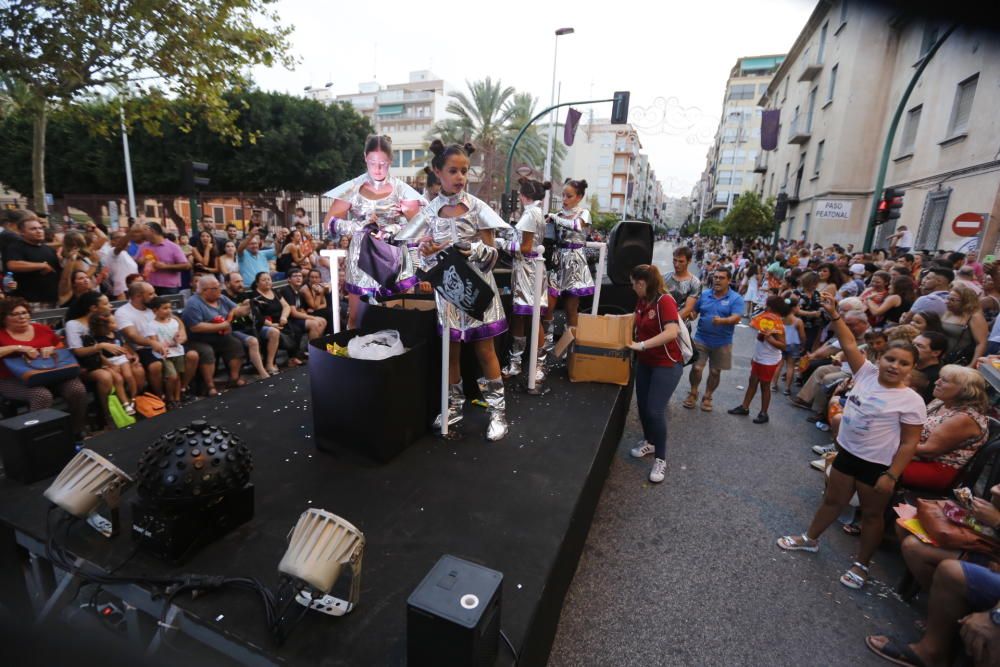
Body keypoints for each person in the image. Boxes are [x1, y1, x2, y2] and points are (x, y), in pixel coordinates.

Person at [778, 293, 926, 590]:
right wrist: (834, 315)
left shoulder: (912, 401)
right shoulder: (866, 373)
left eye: (903, 363)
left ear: (912, 369)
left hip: (877, 466)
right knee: (832, 501)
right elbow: (847, 342)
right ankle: (810, 539)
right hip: (847, 454)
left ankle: (861, 565)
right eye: (890, 358)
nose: (895, 366)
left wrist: (891, 475)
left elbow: (909, 443)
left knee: (871, 515)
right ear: (879, 358)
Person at [419, 140, 510, 441]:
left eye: (464, 171)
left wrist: (471, 248)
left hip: (479, 289)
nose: (460, 177)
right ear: (437, 172)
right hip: (447, 292)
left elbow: (494, 254)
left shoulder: (479, 208)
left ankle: (498, 412)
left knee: (485, 351)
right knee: (451, 352)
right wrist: (428, 250)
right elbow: (423, 257)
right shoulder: (429, 212)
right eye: (453, 171)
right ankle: (453, 407)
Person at [323, 134, 426, 329]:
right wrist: (357, 225)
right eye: (373, 163)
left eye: (383, 163)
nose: (378, 169)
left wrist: (395, 228)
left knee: (395, 315)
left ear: (391, 161)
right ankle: (355, 357)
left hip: (393, 256)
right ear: (365, 158)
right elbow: (329, 223)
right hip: (360, 257)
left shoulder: (403, 190)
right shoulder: (353, 188)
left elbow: (420, 228)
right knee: (356, 317)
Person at [625, 264, 683, 483]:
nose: (632, 288)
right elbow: (633, 320)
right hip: (646, 363)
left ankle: (661, 459)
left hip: (666, 364)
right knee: (642, 406)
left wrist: (641, 346)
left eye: (633, 284)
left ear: (642, 283)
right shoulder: (643, 300)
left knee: (655, 410)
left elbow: (672, 332)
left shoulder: (664, 301)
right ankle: (649, 441)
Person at [0, 298, 89, 437]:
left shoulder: (42, 328)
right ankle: (37, 437)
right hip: (12, 378)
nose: (22, 316)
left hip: (50, 372)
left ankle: (76, 431)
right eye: (15, 314)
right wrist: (17, 348)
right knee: (41, 396)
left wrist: (51, 348)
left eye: (25, 312)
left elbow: (61, 347)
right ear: (4, 318)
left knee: (77, 389)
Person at [900, 365, 989, 491]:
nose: (937, 382)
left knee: (876, 465)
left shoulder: (963, 418)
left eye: (944, 381)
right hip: (915, 455)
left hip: (936, 469)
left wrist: (893, 443)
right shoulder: (941, 401)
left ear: (965, 390)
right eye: (939, 378)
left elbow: (929, 451)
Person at [63, 291, 138, 424]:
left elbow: (114, 342)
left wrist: (114, 361)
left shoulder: (99, 322)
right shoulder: (73, 324)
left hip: (100, 361)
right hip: (84, 366)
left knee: (131, 370)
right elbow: (78, 352)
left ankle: (128, 406)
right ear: (93, 308)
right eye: (106, 303)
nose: (110, 306)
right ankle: (106, 416)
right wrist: (100, 346)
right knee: (106, 377)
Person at [502, 177, 550, 380]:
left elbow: (525, 247)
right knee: (521, 315)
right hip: (527, 270)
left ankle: (536, 364)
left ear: (523, 196)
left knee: (532, 315)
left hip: (529, 270)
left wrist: (500, 243)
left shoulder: (531, 214)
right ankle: (519, 362)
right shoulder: (535, 212)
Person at [116, 281, 197, 398]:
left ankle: (183, 389)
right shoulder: (123, 312)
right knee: (155, 366)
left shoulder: (153, 305)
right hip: (144, 348)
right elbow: (131, 335)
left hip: (169, 342)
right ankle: (160, 396)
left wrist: (182, 332)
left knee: (193, 355)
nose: (155, 296)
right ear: (138, 296)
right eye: (151, 294)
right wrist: (152, 342)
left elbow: (175, 319)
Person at [682, 267, 744, 412]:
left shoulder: (735, 298)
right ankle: (693, 392)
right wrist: (691, 315)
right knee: (697, 368)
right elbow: (695, 312)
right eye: (715, 277)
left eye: (721, 278)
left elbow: (737, 317)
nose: (717, 280)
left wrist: (723, 321)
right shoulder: (704, 295)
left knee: (715, 372)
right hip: (701, 339)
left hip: (723, 342)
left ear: (729, 281)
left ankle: (708, 396)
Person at [180, 275, 249, 395]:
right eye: (215, 288)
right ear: (204, 290)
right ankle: (210, 385)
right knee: (207, 352)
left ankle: (234, 378)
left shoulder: (221, 298)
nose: (220, 290)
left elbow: (236, 310)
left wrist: (247, 306)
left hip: (219, 336)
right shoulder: (193, 303)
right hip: (197, 339)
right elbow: (195, 327)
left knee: (235, 344)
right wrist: (222, 326)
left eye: (219, 287)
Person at [729, 295, 792, 423]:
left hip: (769, 361)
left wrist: (771, 339)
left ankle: (764, 413)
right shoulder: (766, 320)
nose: (765, 306)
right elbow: (754, 324)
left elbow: (783, 346)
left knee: (765, 386)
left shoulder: (778, 326)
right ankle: (745, 407)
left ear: (772, 307)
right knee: (752, 382)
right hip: (760, 357)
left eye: (767, 305)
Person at [545, 178, 595, 335]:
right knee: (547, 307)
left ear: (579, 197)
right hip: (556, 261)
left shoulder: (584, 213)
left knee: (571, 309)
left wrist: (554, 218)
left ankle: (571, 350)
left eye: (569, 196)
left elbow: (577, 226)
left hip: (574, 263)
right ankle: (543, 350)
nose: (564, 199)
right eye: (563, 195)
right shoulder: (557, 215)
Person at [224, 272, 277, 379]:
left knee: (274, 332)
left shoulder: (244, 294)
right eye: (237, 282)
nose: (241, 284)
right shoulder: (223, 297)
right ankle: (262, 373)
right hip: (234, 330)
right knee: (253, 341)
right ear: (227, 283)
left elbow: (255, 314)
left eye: (242, 281)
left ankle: (269, 364)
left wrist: (269, 324)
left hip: (249, 326)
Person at [4, 213, 60, 307]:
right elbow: (13, 265)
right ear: (22, 232)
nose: (39, 231)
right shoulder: (16, 247)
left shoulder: (48, 249)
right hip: (30, 302)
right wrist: (42, 265)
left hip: (52, 300)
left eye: (40, 228)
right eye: (33, 229)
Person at [250, 271, 302, 368]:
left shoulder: (275, 291)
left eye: (269, 279)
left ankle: (293, 357)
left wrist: (283, 317)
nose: (267, 282)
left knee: (296, 329)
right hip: (265, 324)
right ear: (257, 283)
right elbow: (256, 315)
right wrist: (270, 324)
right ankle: (270, 363)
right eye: (263, 280)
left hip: (280, 320)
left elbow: (286, 306)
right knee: (275, 333)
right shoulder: (255, 296)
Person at [148, 297, 189, 407]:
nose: (169, 310)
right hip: (164, 355)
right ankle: (169, 398)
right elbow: (154, 341)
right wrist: (161, 348)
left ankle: (177, 398)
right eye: (165, 308)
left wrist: (178, 338)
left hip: (178, 352)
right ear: (155, 310)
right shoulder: (151, 325)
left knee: (178, 375)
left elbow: (178, 337)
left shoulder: (174, 322)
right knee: (172, 376)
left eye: (170, 308)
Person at [136, 222, 191, 296]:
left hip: (168, 287)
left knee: (168, 307)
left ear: (152, 231)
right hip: (148, 286)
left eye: (144, 230)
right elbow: (136, 261)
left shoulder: (173, 247)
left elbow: (186, 266)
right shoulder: (143, 246)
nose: (141, 234)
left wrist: (165, 266)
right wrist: (139, 262)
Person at [941, 284, 988, 367]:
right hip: (942, 358)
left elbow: (981, 344)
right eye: (947, 298)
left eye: (953, 300)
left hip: (959, 361)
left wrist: (972, 365)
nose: (947, 302)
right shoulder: (948, 312)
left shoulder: (974, 317)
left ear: (965, 302)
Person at [278, 268, 326, 343]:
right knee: (315, 323)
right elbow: (293, 313)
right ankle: (312, 349)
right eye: (295, 276)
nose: (298, 278)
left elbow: (301, 309)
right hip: (289, 320)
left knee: (323, 321)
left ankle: (315, 346)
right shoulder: (287, 290)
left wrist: (305, 313)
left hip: (297, 317)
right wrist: (312, 317)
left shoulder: (298, 291)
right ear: (289, 279)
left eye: (300, 276)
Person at [98, 229, 139, 300]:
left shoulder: (125, 253)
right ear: (112, 241)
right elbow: (120, 246)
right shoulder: (112, 252)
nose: (128, 243)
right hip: (122, 292)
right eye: (123, 239)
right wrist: (132, 231)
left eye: (128, 240)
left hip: (134, 289)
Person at [665, 246, 702, 321]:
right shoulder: (664, 277)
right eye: (675, 260)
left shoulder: (695, 283)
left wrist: (668, 322)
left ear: (689, 261)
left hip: (681, 325)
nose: (676, 264)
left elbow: (687, 309)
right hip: (661, 321)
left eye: (681, 261)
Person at [910, 331, 947, 403]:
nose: (912, 348)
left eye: (919, 346)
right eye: (912, 344)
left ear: (936, 353)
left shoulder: (936, 377)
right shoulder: (910, 365)